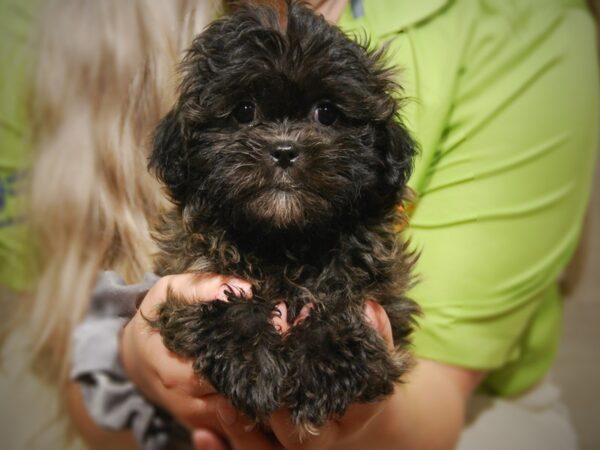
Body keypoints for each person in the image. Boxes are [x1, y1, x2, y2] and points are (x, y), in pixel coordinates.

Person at [16, 0, 599, 449]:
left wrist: (345, 367)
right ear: (183, 153)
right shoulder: (51, 28)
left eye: (326, 114)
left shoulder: (525, 24)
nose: (286, 142)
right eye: (244, 114)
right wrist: (138, 366)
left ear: (382, 153)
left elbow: (427, 399)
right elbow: (72, 370)